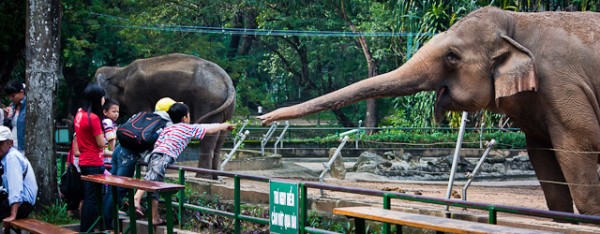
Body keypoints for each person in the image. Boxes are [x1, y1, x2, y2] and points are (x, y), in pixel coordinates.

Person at [133, 103, 234, 224]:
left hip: (156, 154)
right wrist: (224, 125)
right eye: (189, 115)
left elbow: (157, 144)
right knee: (151, 179)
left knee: (154, 184)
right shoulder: (187, 128)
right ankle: (136, 198)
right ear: (185, 118)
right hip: (165, 155)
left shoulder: (168, 128)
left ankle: (155, 218)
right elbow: (209, 129)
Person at [103, 97, 176, 228]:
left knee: (112, 188)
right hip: (129, 156)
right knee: (120, 190)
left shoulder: (146, 115)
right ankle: (108, 226)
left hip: (118, 150)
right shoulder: (166, 124)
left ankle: (105, 222)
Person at [74, 84, 106, 232]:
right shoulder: (93, 118)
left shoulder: (79, 115)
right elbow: (100, 143)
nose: (104, 99)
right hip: (94, 162)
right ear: (97, 99)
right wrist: (106, 141)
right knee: (93, 200)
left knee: (88, 198)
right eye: (102, 96)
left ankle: (87, 229)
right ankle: (87, 229)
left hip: (84, 161)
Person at [0, 126, 37, 222]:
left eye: (0, 143)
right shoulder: (5, 156)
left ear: (10, 143)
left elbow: (15, 187)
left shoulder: (12, 158)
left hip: (22, 205)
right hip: (13, 200)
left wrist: (13, 214)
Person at [3, 81, 27, 154]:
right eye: (9, 96)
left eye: (13, 96)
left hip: (23, 147)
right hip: (12, 146)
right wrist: (6, 117)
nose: (11, 99)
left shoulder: (28, 107)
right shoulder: (12, 106)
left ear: (21, 92)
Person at [102, 98, 120, 164]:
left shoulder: (109, 122)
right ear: (105, 112)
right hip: (107, 158)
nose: (116, 114)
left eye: (117, 112)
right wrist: (113, 153)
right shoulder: (108, 122)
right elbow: (110, 139)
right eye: (114, 111)